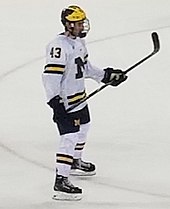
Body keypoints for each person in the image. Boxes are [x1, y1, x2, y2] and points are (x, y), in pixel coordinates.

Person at [42, 5, 127, 201]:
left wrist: (107, 75)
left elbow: (86, 68)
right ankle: (61, 181)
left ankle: (74, 162)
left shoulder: (79, 43)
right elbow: (50, 77)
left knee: (84, 128)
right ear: (68, 25)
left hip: (80, 98)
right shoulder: (58, 46)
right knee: (69, 138)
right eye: (78, 23)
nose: (82, 26)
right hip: (66, 102)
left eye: (82, 22)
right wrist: (55, 103)